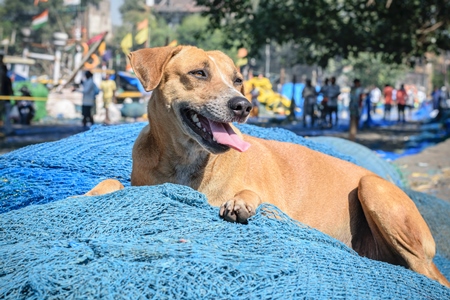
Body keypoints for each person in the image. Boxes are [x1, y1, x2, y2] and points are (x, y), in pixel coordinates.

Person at [0, 64, 13, 135]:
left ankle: (8, 130)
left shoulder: (6, 79)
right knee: (7, 117)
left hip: (5, 101)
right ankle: (8, 130)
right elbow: (11, 91)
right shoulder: (7, 79)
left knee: (6, 117)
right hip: (6, 101)